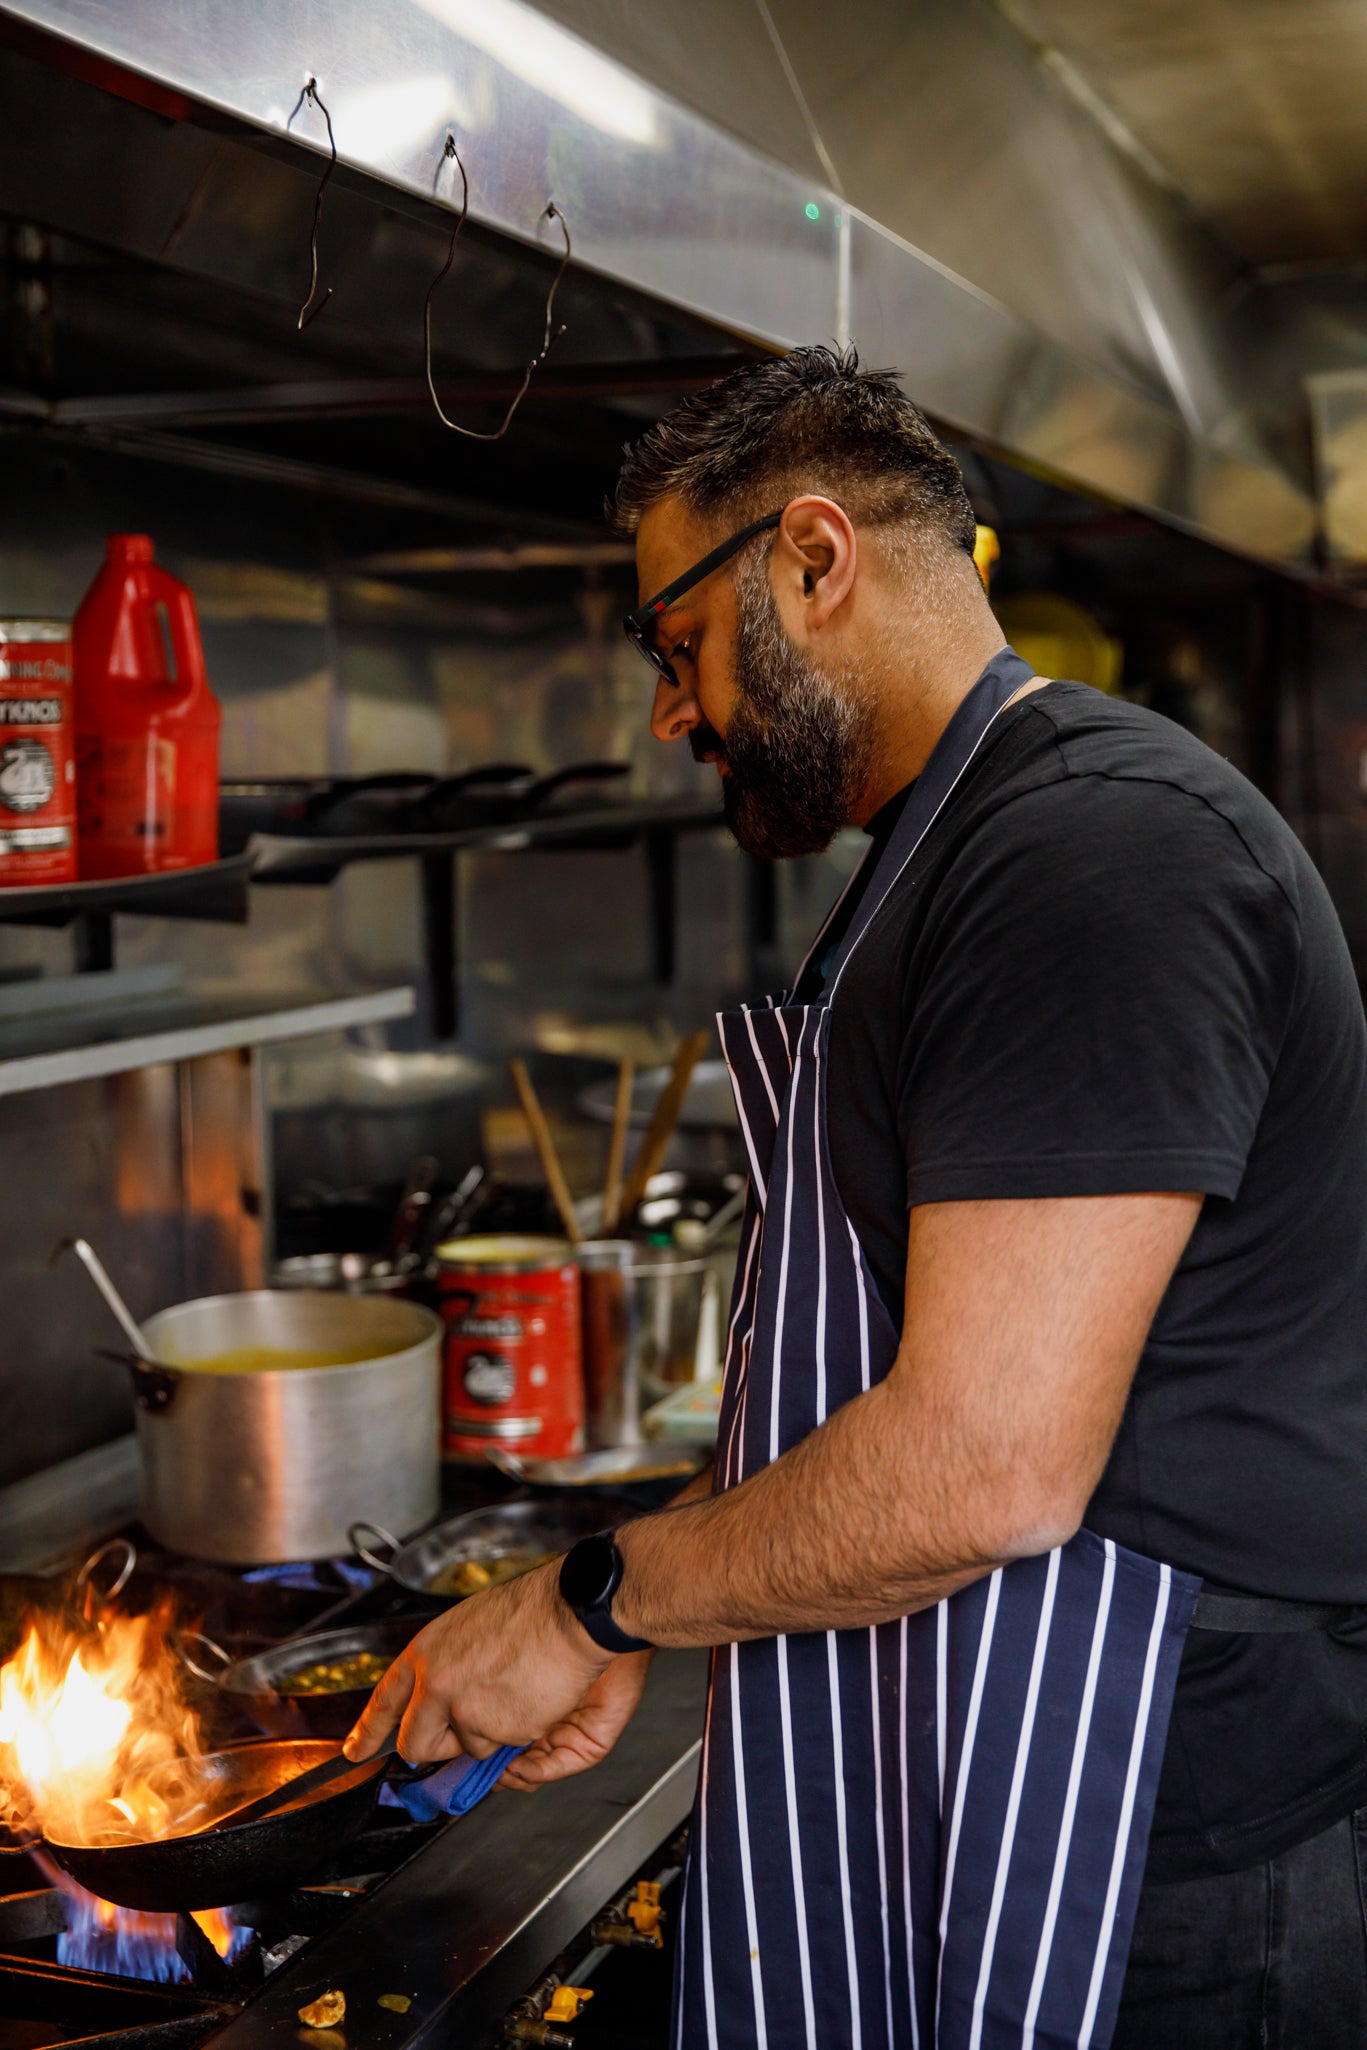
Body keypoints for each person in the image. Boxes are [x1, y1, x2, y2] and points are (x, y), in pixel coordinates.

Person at [345, 348, 1367, 2048]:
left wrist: (588, 1597)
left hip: (1168, 1839)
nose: (671, 712)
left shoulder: (1090, 860)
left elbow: (989, 1464)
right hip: (1041, 1761)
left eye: (674, 647)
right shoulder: (965, 850)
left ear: (812, 561)